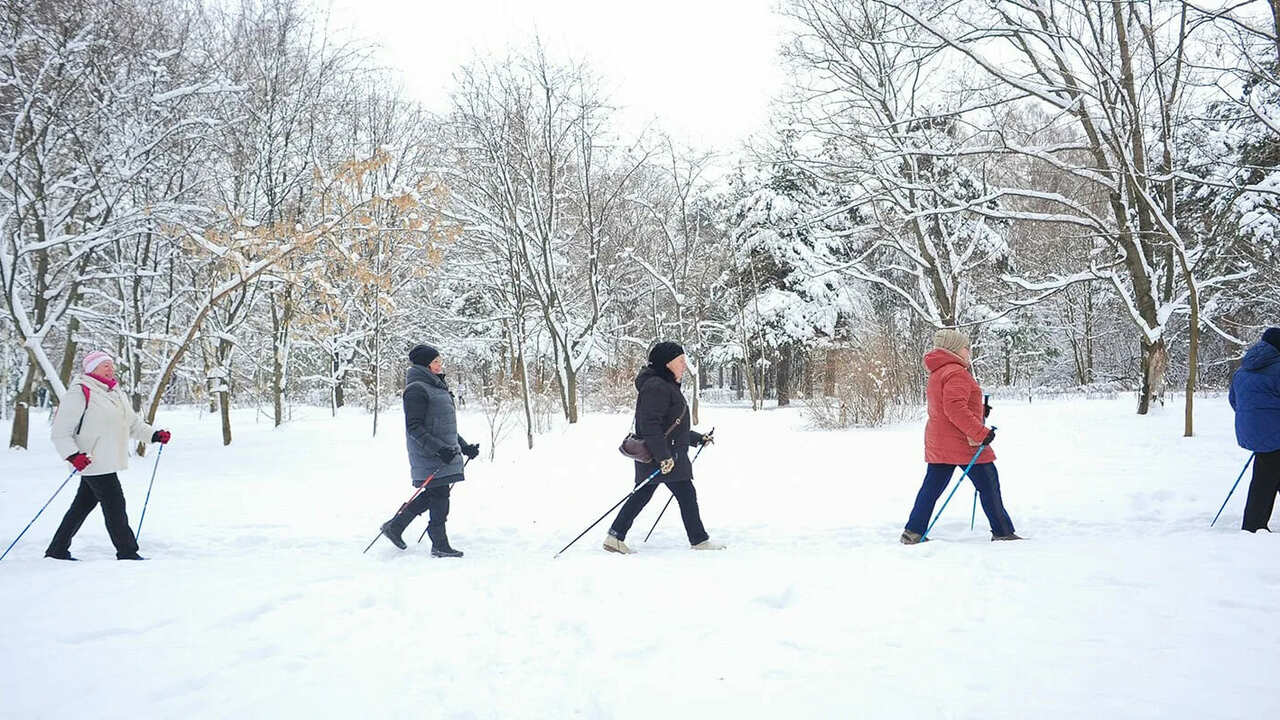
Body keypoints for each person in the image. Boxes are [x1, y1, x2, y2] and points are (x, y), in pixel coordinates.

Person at [45, 351, 172, 560]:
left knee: (82, 505)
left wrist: (155, 435)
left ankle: (57, 549)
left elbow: (132, 424)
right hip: (90, 460)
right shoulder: (80, 392)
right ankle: (127, 551)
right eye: (104, 365)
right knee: (115, 503)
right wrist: (73, 455)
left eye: (111, 365)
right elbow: (60, 431)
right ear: (91, 368)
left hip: (107, 459)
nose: (110, 368)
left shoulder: (115, 393)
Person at [901, 330, 1020, 544]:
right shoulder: (956, 373)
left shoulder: (939, 372)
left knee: (931, 489)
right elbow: (954, 408)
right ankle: (1003, 532)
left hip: (940, 441)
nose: (969, 351)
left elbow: (948, 406)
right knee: (989, 485)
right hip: (965, 443)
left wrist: (979, 411)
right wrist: (981, 432)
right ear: (954, 349)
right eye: (966, 347)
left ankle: (913, 532)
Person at [604, 341, 723, 554]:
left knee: (651, 494)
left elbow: (671, 425)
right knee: (681, 493)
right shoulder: (657, 387)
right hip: (663, 456)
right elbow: (649, 425)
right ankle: (698, 540)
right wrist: (663, 457)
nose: (684, 366)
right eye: (680, 361)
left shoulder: (663, 385)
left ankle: (615, 535)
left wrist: (698, 438)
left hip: (666, 454)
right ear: (667, 363)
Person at [379, 344, 479, 557]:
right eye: (436, 361)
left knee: (434, 494)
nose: (440, 365)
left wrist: (464, 446)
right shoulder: (417, 389)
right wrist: (439, 449)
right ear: (425, 364)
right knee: (439, 496)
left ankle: (395, 526)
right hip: (429, 453)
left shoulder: (437, 387)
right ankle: (439, 544)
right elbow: (414, 427)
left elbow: (445, 427)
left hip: (443, 452)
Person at [1229, 327, 1280, 532]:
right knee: (1265, 479)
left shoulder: (1243, 369)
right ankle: (1253, 526)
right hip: (1275, 433)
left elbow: (1234, 401)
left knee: (1268, 473)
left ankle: (1254, 524)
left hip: (1253, 432)